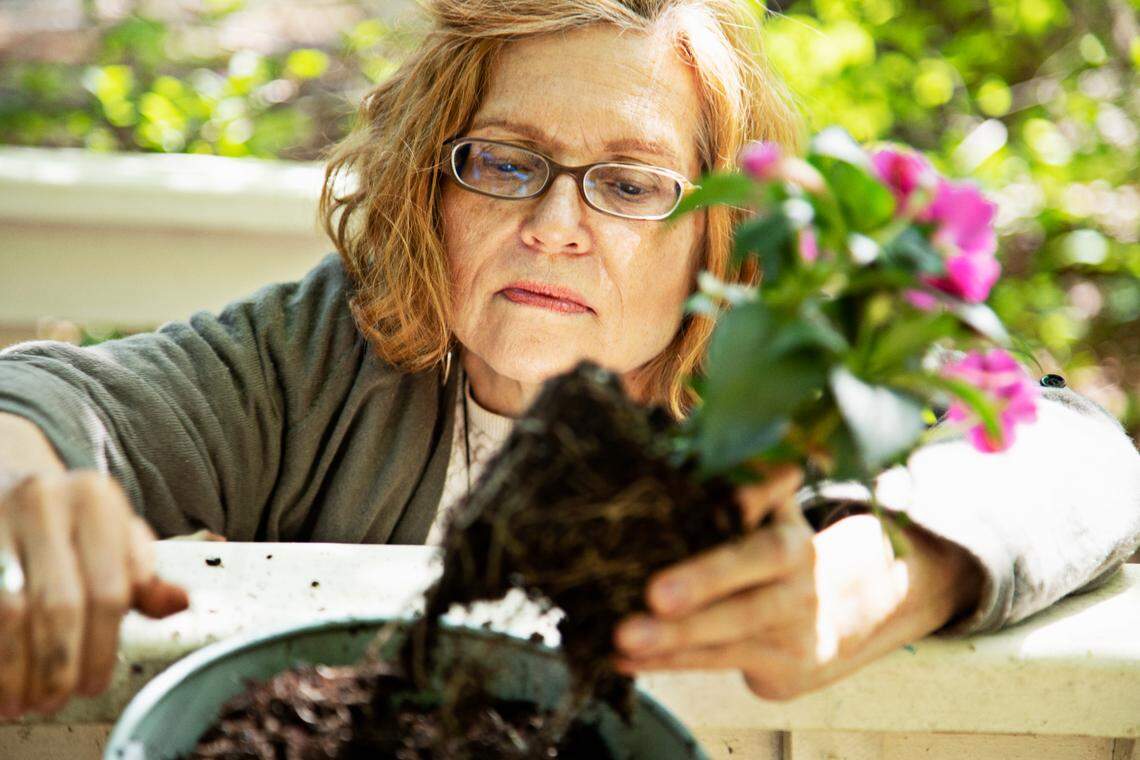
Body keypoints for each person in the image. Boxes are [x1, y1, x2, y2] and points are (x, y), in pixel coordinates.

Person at [1, 0, 1138, 720]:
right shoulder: (325, 358)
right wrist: (34, 485)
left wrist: (888, 571)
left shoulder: (794, 383)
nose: (555, 223)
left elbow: (1082, 454)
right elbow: (50, 403)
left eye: (633, 182)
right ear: (430, 184)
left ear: (717, 227)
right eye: (505, 163)